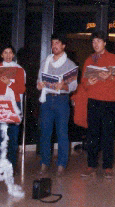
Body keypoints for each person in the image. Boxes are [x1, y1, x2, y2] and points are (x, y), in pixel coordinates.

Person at [80, 31, 115, 179]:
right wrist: (88, 83)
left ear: (105, 43)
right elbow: (83, 83)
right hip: (93, 100)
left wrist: (111, 77)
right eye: (93, 42)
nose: (95, 44)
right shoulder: (89, 60)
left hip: (109, 102)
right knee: (92, 135)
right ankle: (91, 165)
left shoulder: (114, 58)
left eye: (98, 41)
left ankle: (107, 167)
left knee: (107, 135)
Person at [37, 33, 77, 176]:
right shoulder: (45, 61)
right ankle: (44, 162)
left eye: (58, 43)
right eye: (53, 43)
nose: (54, 46)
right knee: (45, 133)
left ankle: (61, 164)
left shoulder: (70, 64)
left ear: (63, 46)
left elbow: (73, 86)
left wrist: (64, 86)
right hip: (47, 100)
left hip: (61, 101)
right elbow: (38, 82)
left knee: (62, 133)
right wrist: (40, 85)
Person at [0, 45, 25, 171]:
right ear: (1, 55)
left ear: (13, 55)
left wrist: (10, 83)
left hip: (14, 105)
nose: (8, 55)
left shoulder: (19, 69)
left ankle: (12, 167)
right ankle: (0, 166)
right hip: (0, 105)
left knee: (13, 138)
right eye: (5, 52)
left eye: (10, 53)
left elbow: (22, 90)